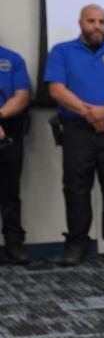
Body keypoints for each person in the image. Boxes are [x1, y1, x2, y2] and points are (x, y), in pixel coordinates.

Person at [44, 5, 104, 266]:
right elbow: (56, 89)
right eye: (91, 21)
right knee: (76, 188)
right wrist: (90, 114)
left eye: (101, 21)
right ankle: (77, 244)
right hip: (77, 131)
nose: (97, 26)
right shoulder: (62, 51)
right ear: (80, 23)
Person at [0, 42, 32, 265]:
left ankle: (14, 244)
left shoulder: (12, 59)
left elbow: (22, 96)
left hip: (8, 130)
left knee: (9, 192)